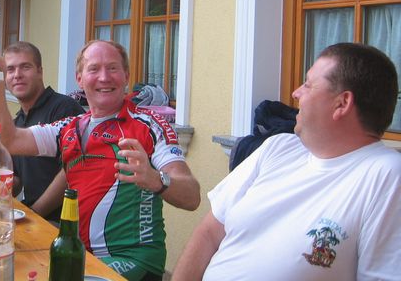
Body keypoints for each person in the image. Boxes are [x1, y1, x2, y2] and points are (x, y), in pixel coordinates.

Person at [172, 43, 401, 281]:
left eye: (308, 84)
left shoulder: (385, 175)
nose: (296, 93)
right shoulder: (277, 148)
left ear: (342, 104)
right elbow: (208, 234)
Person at [0, 39, 201, 280]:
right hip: (81, 255)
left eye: (112, 68)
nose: (104, 77)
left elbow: (192, 196)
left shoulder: (149, 125)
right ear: (80, 79)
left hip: (133, 259)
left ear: (126, 76)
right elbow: (8, 139)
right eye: (94, 69)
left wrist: (156, 179)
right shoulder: (70, 128)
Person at [0, 41, 84, 221]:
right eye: (10, 69)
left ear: (40, 71)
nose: (17, 75)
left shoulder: (64, 108)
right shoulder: (17, 123)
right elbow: (16, 180)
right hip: (32, 215)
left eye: (25, 67)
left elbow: (71, 171)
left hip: (62, 222)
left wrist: (35, 213)